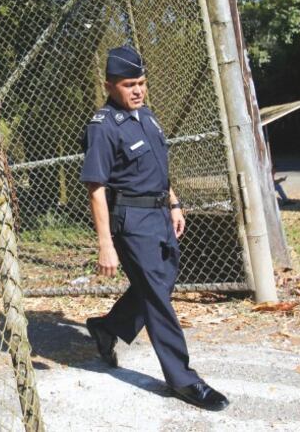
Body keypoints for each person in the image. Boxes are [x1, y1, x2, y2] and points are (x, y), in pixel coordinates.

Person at [80, 45, 229, 411]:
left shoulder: (145, 116)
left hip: (161, 215)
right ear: (110, 85)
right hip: (132, 223)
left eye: (142, 83)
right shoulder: (102, 128)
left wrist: (174, 203)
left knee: (159, 285)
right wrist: (105, 244)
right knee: (158, 300)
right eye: (129, 84)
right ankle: (183, 379)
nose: (138, 90)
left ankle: (108, 327)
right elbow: (96, 189)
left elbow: (157, 168)